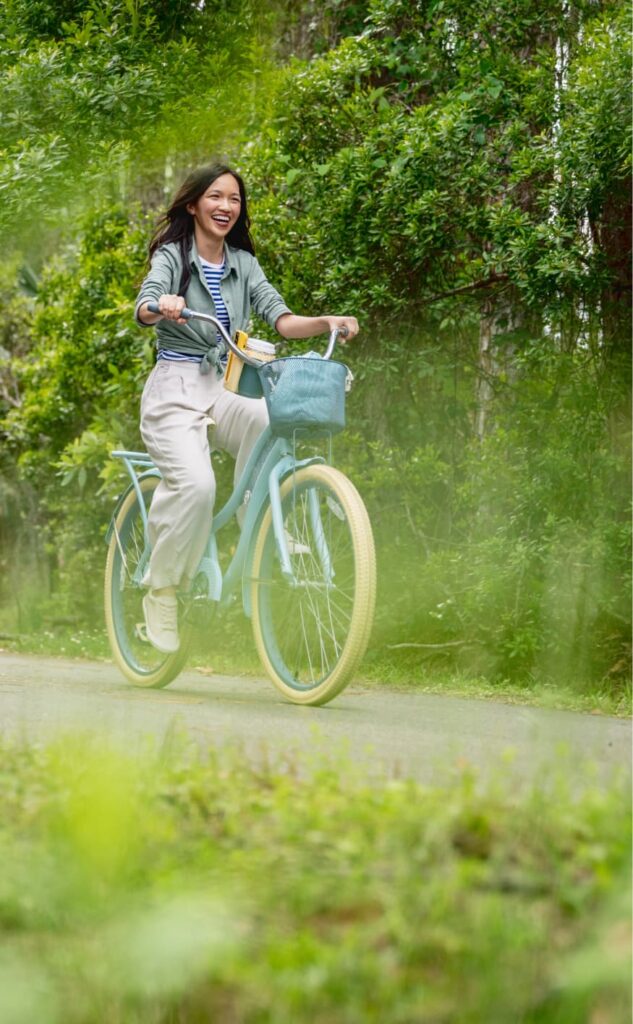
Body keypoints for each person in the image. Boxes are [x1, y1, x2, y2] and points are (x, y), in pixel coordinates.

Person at [135, 161, 359, 654]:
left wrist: (325, 321)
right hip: (174, 388)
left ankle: (259, 529)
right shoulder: (175, 254)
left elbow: (280, 320)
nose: (226, 207)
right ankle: (163, 589)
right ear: (193, 204)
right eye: (215, 197)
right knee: (196, 485)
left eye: (234, 199)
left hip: (223, 384)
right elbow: (145, 305)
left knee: (268, 421)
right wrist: (164, 305)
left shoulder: (244, 263)